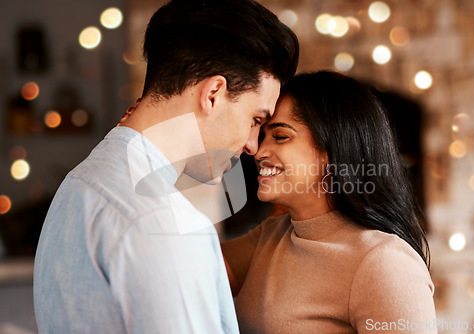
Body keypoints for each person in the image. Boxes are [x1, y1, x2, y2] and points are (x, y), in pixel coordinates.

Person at [33, 0, 298, 332]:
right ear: (213, 94)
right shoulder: (167, 223)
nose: (252, 144)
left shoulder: (79, 183)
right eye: (255, 119)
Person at [222, 71, 437, 334]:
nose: (258, 151)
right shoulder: (272, 235)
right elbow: (186, 268)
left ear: (334, 151)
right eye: (262, 135)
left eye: (280, 136)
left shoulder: (384, 263)